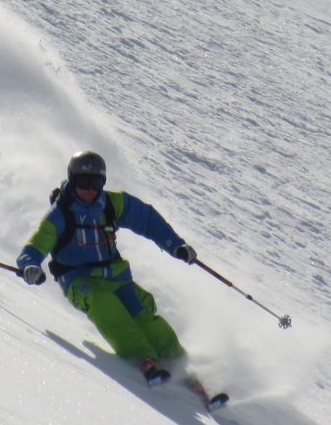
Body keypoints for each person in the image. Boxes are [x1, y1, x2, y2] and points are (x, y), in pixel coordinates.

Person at [17, 150, 198, 385]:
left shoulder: (111, 204)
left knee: (145, 317)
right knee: (106, 306)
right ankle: (143, 357)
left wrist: (176, 245)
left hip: (117, 277)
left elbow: (147, 219)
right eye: (84, 182)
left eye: (96, 182)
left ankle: (180, 365)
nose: (90, 189)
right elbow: (34, 246)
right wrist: (30, 265)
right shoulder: (59, 216)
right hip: (79, 281)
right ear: (72, 180)